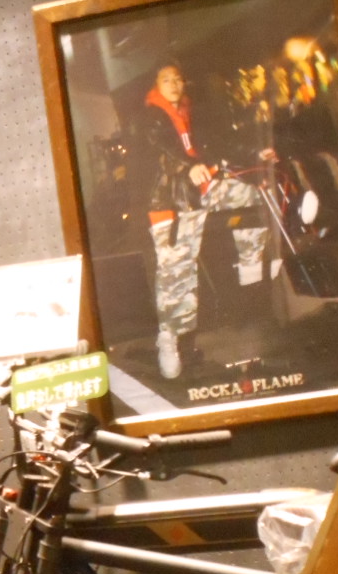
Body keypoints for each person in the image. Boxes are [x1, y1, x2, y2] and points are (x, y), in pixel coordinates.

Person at [134, 63, 274, 380]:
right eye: (166, 80)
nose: (174, 84)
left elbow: (220, 143)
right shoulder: (149, 118)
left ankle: (250, 265)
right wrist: (187, 166)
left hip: (201, 189)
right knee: (176, 274)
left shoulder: (191, 112)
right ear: (155, 86)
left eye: (178, 78)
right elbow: (160, 149)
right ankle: (169, 339)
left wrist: (255, 153)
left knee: (249, 194)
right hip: (170, 200)